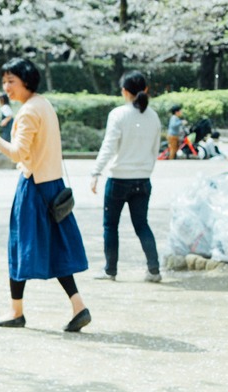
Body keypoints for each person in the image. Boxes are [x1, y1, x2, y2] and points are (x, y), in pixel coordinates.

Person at [0, 58, 91, 332]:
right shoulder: (43, 104)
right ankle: (78, 306)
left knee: (18, 245)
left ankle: (16, 311)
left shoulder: (27, 112)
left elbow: (18, 153)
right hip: (53, 185)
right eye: (4, 81)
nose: (6, 87)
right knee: (56, 248)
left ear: (26, 81)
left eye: (11, 81)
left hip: (33, 186)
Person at [89, 71, 163, 284]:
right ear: (145, 89)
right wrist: (146, 170)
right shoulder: (154, 116)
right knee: (142, 225)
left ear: (124, 91)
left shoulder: (118, 114)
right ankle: (154, 269)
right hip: (143, 179)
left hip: (119, 179)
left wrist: (96, 172)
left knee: (110, 226)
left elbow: (109, 146)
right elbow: (155, 149)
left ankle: (110, 270)